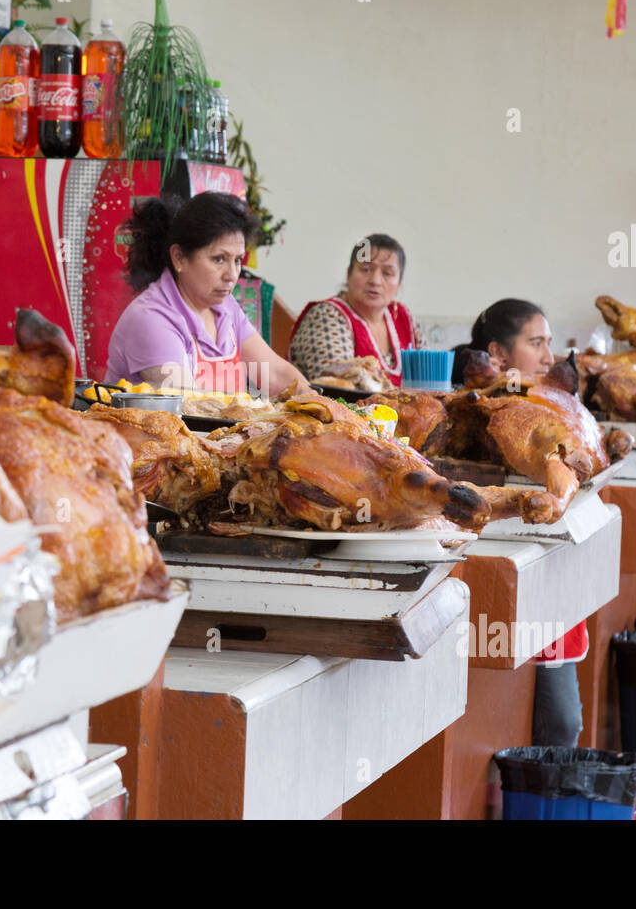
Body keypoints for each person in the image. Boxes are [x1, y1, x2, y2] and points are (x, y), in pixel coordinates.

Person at [452, 298, 584, 747]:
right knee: (550, 721)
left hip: (545, 567)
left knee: (562, 723)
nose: (549, 356)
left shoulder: (553, 406)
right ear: (498, 356)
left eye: (549, 342)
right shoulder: (482, 412)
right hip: (499, 561)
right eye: (536, 343)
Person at [105, 192, 306, 395]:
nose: (232, 275)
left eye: (237, 260)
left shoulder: (226, 307)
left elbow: (274, 373)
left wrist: (324, 407)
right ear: (179, 258)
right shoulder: (151, 318)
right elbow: (188, 405)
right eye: (219, 259)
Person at [287, 233, 426, 385]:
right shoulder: (326, 315)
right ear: (348, 274)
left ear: (399, 283)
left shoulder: (403, 317)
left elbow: (429, 378)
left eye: (387, 273)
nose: (375, 281)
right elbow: (340, 386)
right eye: (365, 269)